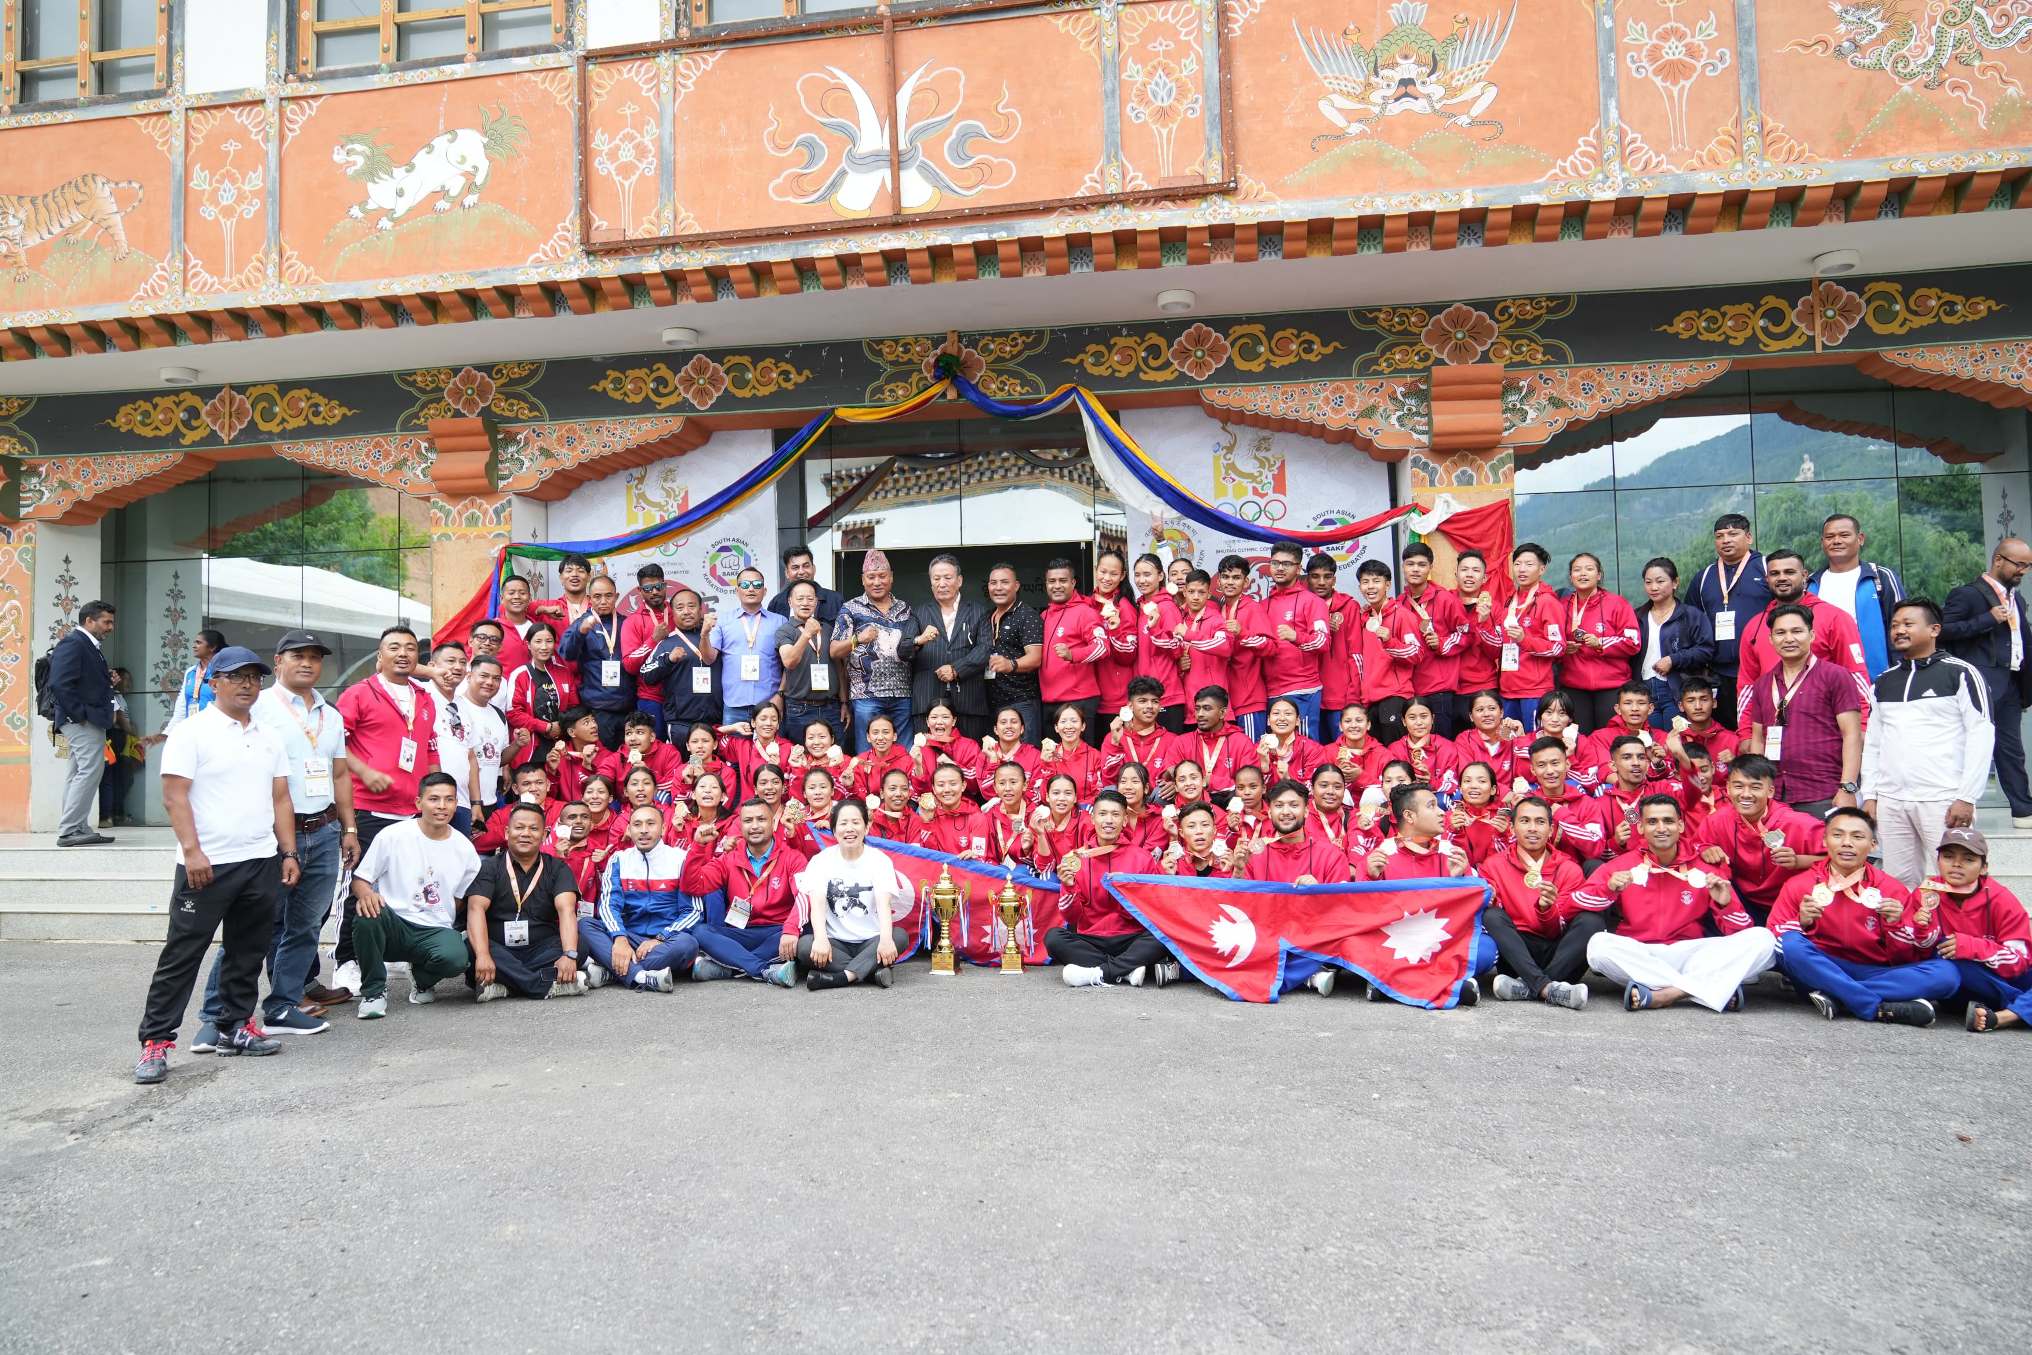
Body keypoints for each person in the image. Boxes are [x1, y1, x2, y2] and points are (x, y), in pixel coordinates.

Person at [132, 646, 300, 1084]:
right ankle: (156, 1042)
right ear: (214, 683)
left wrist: (287, 852)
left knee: (247, 950)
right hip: (206, 864)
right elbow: (174, 796)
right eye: (236, 676)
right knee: (182, 954)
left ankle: (235, 1026)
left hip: (259, 860)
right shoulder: (191, 732)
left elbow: (281, 798)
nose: (247, 685)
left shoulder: (268, 735)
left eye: (254, 677)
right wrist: (192, 852)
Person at [193, 631, 358, 1044]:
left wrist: (349, 828)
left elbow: (340, 774)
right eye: (297, 655)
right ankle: (215, 1016)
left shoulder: (331, 714)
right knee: (253, 926)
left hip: (324, 831)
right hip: (274, 834)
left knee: (305, 926)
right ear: (279, 661)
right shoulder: (258, 707)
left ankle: (283, 1005)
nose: (307, 663)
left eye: (314, 657)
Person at [1577, 795, 1778, 1013]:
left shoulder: (1704, 868)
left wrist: (1726, 904)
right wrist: (1608, 888)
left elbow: (1741, 931)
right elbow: (1576, 903)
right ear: (1641, 827)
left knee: (1764, 939)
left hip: (1691, 954)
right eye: (1652, 822)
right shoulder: (1621, 865)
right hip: (1640, 953)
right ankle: (1710, 987)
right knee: (1598, 945)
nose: (1661, 828)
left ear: (1680, 826)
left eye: (1668, 821)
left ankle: (1667, 994)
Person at [1767, 807, 1956, 1026]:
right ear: (1825, 841)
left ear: (1873, 844)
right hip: (1822, 966)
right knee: (1790, 943)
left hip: (1874, 972)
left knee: (1947, 974)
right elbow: (1775, 936)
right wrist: (1802, 921)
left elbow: (1908, 958)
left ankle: (1838, 995)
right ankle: (1873, 1007)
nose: (1847, 843)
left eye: (1857, 837)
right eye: (1838, 835)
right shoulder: (1799, 884)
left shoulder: (1891, 889)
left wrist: (1895, 925)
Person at [334, 625, 440, 994]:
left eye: (410, 647)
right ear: (380, 656)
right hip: (367, 808)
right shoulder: (359, 693)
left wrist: (433, 796)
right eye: (394, 647)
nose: (403, 653)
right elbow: (335, 745)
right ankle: (345, 961)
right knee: (358, 888)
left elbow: (429, 749)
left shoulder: (424, 697)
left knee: (403, 886)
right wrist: (364, 771)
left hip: (411, 812)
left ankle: (388, 952)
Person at [1860, 598, 1992, 886]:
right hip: (1891, 800)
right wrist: (1870, 795)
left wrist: (1967, 797)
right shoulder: (1883, 682)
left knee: (1957, 882)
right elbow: (1873, 743)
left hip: (1944, 799)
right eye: (1895, 625)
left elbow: (1981, 736)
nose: (1899, 630)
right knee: (1897, 884)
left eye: (1908, 624)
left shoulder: (1961, 673)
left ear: (1934, 630)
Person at [349, 772, 481, 1018]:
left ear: (456, 804)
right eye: (434, 799)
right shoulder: (392, 835)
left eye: (449, 799)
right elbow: (360, 880)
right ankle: (374, 992)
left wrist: (438, 915)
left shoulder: (465, 849)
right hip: (394, 923)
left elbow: (459, 900)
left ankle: (421, 979)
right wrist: (366, 894)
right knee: (367, 913)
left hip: (433, 928)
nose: (442, 806)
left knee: (455, 958)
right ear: (419, 802)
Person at [1741, 603, 1863, 817]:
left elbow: (1852, 735)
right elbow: (1758, 740)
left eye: (1797, 631)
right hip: (1775, 795)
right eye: (1780, 633)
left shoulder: (1835, 676)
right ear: (1771, 639)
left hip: (1823, 792)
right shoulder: (1762, 684)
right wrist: (1757, 788)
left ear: (1812, 635)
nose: (1789, 639)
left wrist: (1847, 788)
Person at [1942, 538, 2032, 827]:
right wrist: (1987, 619)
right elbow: (1942, 630)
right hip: (1978, 683)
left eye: (2028, 566)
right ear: (1998, 560)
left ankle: (2023, 811)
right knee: (1969, 746)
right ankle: (1954, 809)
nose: (2023, 571)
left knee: (2011, 750)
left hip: (2010, 683)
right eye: (2019, 564)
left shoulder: (2016, 598)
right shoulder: (1967, 595)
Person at [1049, 789, 1175, 988]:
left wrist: (1127, 892)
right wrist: (1069, 886)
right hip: (1091, 938)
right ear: (1093, 818)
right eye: (1102, 814)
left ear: (1124, 820)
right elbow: (1071, 918)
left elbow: (1152, 912)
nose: (1108, 820)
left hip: (1130, 937)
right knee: (1054, 938)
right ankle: (1126, 971)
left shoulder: (1142, 858)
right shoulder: (1076, 858)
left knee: (1164, 935)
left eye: (1115, 814)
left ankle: (1099, 973)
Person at [1481, 796, 1596, 1010]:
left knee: (1592, 921)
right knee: (1491, 915)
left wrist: (1547, 909)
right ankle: (1548, 989)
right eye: (1525, 821)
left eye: (1540, 822)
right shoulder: (1493, 866)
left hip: (1558, 954)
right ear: (1512, 828)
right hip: (1518, 955)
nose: (1532, 828)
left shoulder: (1569, 869)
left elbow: (1556, 930)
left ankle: (1528, 988)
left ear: (1551, 830)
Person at [465, 802, 586, 1001]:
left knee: (579, 945)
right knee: (471, 947)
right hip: (499, 948)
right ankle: (542, 984)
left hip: (541, 949)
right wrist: (484, 955)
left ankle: (505, 986)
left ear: (545, 835)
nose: (525, 834)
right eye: (519, 827)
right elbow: (475, 908)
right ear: (507, 832)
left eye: (533, 829)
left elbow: (567, 911)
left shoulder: (557, 868)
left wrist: (569, 954)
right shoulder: (490, 867)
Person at [682, 797, 805, 985]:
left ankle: (729, 967)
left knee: (804, 932)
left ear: (773, 823)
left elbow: (804, 896)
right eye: (748, 821)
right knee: (701, 931)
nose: (754, 826)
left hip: (778, 931)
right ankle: (762, 970)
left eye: (761, 819)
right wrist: (698, 846)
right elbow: (693, 885)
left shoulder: (793, 858)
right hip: (741, 932)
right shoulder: (729, 858)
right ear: (740, 826)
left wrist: (790, 929)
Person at [1733, 548, 1872, 715]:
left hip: (1823, 723)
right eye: (1775, 573)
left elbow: (1856, 678)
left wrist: (1860, 725)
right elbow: (1747, 687)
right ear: (1767, 579)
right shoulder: (1754, 626)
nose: (1782, 578)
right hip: (1771, 725)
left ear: (1805, 575)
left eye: (1789, 572)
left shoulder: (1835, 618)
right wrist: (1746, 730)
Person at [1689, 755, 1824, 923]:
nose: (1746, 794)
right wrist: (1705, 849)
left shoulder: (1799, 823)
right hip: (1742, 900)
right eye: (1738, 786)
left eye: (1755, 787)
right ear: (1728, 788)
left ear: (1770, 791)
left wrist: (1799, 861)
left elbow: (1837, 859)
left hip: (1791, 903)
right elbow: (1696, 846)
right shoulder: (1717, 820)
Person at [581, 804, 699, 992]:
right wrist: (620, 938)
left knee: (688, 944)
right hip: (629, 936)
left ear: (663, 828)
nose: (644, 830)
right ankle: (641, 976)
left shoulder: (681, 858)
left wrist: (660, 938)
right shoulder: (619, 859)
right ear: (629, 830)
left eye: (650, 824)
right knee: (585, 925)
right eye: (637, 824)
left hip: (666, 940)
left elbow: (693, 911)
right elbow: (608, 906)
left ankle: (614, 971)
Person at [794, 799, 910, 989]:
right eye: (843, 823)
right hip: (835, 942)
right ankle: (871, 973)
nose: (849, 829)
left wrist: (886, 940)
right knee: (806, 946)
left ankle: (842, 977)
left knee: (899, 937)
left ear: (867, 827)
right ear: (834, 829)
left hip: (871, 940)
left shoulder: (880, 860)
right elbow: (817, 905)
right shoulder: (820, 861)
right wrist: (821, 939)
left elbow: (884, 905)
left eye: (856, 822)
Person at [1926, 828, 2032, 1034]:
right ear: (1938, 861)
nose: (1956, 864)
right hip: (1963, 988)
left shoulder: (2002, 899)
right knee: (1943, 951)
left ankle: (2002, 1017)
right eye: (1948, 857)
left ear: (1984, 868)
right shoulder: (1926, 893)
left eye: (1968, 859)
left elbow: (2019, 961)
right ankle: (2021, 1007)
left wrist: (1972, 946)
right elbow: (1908, 954)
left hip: (2008, 977)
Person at [832, 550, 926, 748]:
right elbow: (834, 651)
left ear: (891, 577)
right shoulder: (851, 608)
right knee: (868, 753)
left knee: (903, 753)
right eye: (871, 577)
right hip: (866, 695)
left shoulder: (905, 609)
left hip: (902, 694)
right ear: (863, 580)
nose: (877, 582)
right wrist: (858, 639)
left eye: (882, 576)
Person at [1688, 513, 1771, 728]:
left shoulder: (1766, 568)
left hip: (1762, 669)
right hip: (1720, 672)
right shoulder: (1704, 576)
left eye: (1733, 534)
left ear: (1749, 537)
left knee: (1762, 728)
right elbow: (1691, 622)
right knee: (1727, 733)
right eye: (1720, 536)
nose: (1726, 540)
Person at [48, 599, 118, 847]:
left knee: (78, 772)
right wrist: (80, 715)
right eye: (106, 622)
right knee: (90, 770)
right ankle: (70, 830)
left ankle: (77, 827)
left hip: (85, 717)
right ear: (89, 621)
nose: (110, 627)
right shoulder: (74, 643)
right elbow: (59, 684)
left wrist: (107, 680)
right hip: (82, 720)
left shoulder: (87, 645)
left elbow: (81, 681)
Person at [1481, 543, 1566, 728]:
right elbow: (1499, 644)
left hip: (1535, 691)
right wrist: (1485, 622)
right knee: (1510, 741)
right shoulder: (1509, 601)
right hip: (1508, 688)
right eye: (1518, 564)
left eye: (1529, 564)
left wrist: (1524, 640)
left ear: (1542, 569)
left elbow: (1558, 647)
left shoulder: (1547, 602)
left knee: (1534, 741)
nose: (1522, 569)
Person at [1811, 513, 1904, 680]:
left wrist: (1900, 673)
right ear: (1822, 542)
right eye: (1830, 537)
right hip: (1821, 681)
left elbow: (1901, 626)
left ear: (1860, 539)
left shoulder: (1880, 577)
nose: (1836, 541)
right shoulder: (1809, 584)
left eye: (1844, 535)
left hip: (1877, 680)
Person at [912, 553, 993, 740]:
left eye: (947, 578)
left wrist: (956, 669)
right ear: (931, 583)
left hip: (969, 702)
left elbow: (985, 649)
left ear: (959, 580)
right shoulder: (918, 613)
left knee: (970, 755)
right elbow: (903, 650)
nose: (942, 583)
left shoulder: (978, 611)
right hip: (928, 702)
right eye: (936, 578)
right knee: (928, 757)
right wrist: (919, 640)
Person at [1558, 552, 1640, 732]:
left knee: (1611, 738)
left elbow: (1633, 642)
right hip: (1574, 685)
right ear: (1571, 577)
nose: (1582, 573)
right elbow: (1551, 641)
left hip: (1611, 685)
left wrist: (1601, 643)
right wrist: (1563, 647)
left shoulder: (1617, 603)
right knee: (1579, 740)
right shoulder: (1561, 606)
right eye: (1577, 570)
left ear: (1599, 575)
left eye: (1589, 569)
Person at [1260, 542, 1330, 739]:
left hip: (1303, 689)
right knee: (1277, 749)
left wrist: (1296, 637)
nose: (1280, 568)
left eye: (1287, 564)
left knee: (1305, 746)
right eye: (1275, 563)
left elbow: (1323, 642)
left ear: (1298, 569)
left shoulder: (1313, 602)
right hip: (1271, 691)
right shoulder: (1262, 605)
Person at [1634, 557, 1714, 729]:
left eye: (1660, 581)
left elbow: (1706, 650)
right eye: (1648, 582)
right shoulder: (1637, 616)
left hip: (1677, 688)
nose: (1654, 587)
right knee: (1650, 740)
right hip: (1644, 690)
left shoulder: (1691, 615)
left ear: (1675, 582)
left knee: (1678, 737)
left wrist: (1673, 659)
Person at [1036, 557, 1109, 747]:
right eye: (1052, 581)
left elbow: (1103, 647)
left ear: (1073, 582)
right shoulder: (1044, 616)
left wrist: (1073, 655)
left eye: (1063, 580)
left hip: (1079, 701)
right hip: (1049, 702)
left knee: (1082, 759)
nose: (1057, 586)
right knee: (1053, 759)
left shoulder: (1085, 612)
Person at [1399, 542, 1469, 737]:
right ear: (1403, 567)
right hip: (1410, 688)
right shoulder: (1399, 602)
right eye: (1410, 564)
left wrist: (1442, 643)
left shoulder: (1445, 598)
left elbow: (1466, 633)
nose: (1415, 569)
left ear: (1430, 567)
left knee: (1440, 745)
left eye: (1421, 564)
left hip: (1439, 688)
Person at [559, 574, 634, 749]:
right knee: (603, 759)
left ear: (616, 596)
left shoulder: (627, 623)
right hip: (598, 708)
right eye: (597, 596)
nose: (603, 601)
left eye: (608, 596)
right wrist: (581, 632)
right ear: (589, 598)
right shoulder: (581, 623)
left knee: (628, 759)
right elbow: (566, 654)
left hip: (628, 706)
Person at [638, 586, 720, 738]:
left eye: (691, 606)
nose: (686, 611)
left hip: (715, 721)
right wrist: (668, 660)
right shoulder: (667, 643)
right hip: (681, 723)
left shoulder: (715, 637)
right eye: (680, 608)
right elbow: (645, 674)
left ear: (700, 610)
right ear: (673, 612)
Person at [709, 565, 787, 724]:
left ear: (764, 591)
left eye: (757, 585)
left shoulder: (780, 621)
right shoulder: (723, 620)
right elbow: (709, 658)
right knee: (733, 742)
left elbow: (790, 665)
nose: (751, 589)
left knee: (771, 742)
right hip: (734, 704)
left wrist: (780, 694)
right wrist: (704, 634)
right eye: (745, 585)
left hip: (769, 704)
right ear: (737, 591)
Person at [984, 562, 1046, 745]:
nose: (998, 587)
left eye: (1004, 582)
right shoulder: (987, 617)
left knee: (1026, 756)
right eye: (993, 583)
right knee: (997, 757)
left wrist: (1010, 664)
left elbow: (1035, 658)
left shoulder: (1027, 615)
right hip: (993, 703)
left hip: (1022, 701)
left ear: (1016, 585)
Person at [773, 579, 837, 746]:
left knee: (833, 755)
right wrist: (807, 633)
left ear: (816, 602)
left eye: (810, 598)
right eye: (800, 598)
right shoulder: (785, 630)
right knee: (800, 756)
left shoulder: (828, 629)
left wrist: (844, 702)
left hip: (831, 706)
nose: (805, 603)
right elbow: (789, 661)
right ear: (790, 602)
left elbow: (839, 666)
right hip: (800, 708)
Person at [506, 620, 576, 772]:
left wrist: (560, 726)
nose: (544, 647)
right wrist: (546, 727)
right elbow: (513, 713)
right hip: (529, 747)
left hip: (560, 745)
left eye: (549, 641)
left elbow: (573, 708)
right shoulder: (520, 674)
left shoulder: (564, 672)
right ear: (528, 645)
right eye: (538, 641)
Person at [1215, 554, 1273, 739]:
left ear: (1246, 582)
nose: (1230, 582)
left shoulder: (1252, 608)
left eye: (1236, 577)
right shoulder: (1217, 609)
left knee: (1252, 753)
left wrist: (1242, 633)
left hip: (1249, 698)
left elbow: (1270, 647)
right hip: (1225, 700)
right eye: (1226, 577)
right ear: (1219, 580)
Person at [617, 562, 676, 735]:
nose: (654, 592)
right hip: (651, 698)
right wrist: (653, 640)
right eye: (648, 588)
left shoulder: (679, 614)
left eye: (658, 586)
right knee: (652, 747)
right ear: (640, 590)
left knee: (684, 747)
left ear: (665, 586)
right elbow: (629, 665)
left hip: (681, 696)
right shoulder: (632, 621)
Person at [456, 656, 509, 828]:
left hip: (490, 800)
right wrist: (474, 802)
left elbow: (498, 758)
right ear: (469, 676)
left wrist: (518, 745)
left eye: (496, 678)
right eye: (484, 676)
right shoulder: (455, 707)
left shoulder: (499, 715)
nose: (490, 682)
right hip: (461, 802)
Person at [162, 628, 226, 737]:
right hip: (192, 733)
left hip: (215, 733)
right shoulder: (190, 672)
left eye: (199, 643)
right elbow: (181, 708)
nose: (194, 646)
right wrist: (167, 734)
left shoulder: (223, 672)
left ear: (212, 647)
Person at [766, 543, 845, 629]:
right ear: (787, 573)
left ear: (814, 569)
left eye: (806, 566)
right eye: (795, 567)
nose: (801, 572)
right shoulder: (777, 603)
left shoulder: (835, 600)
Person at [492, 573, 539, 676]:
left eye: (522, 593)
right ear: (501, 598)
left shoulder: (538, 629)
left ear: (530, 598)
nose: (517, 597)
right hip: (501, 685)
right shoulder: (492, 629)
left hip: (534, 685)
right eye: (511, 593)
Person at [531, 552, 595, 629]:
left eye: (580, 571)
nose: (574, 574)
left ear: (589, 577)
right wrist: (541, 609)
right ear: (561, 578)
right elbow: (524, 608)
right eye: (569, 571)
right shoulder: (550, 607)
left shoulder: (598, 606)